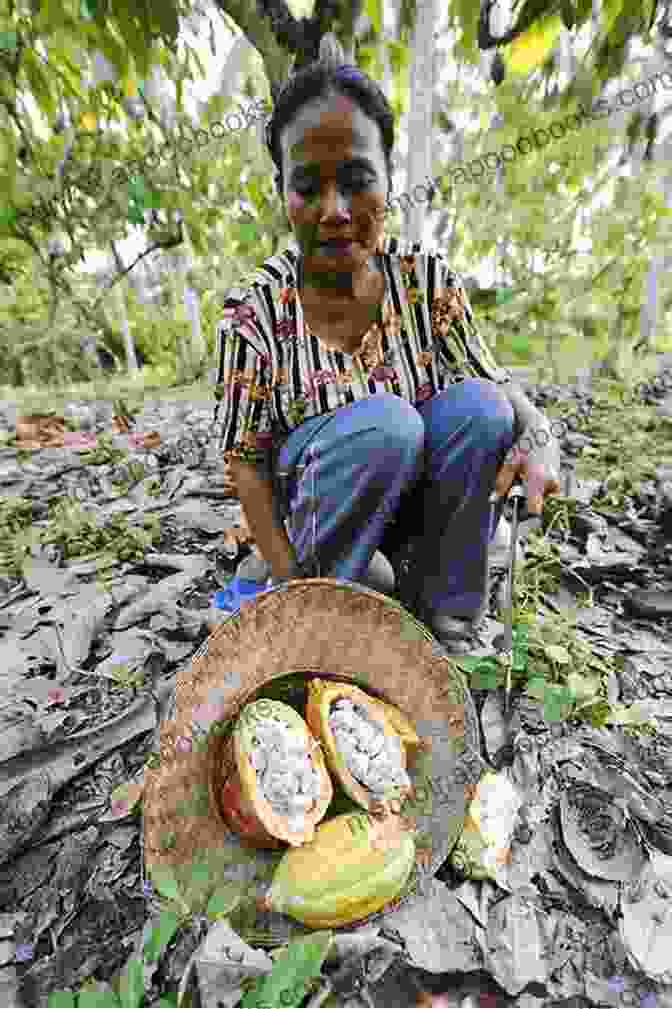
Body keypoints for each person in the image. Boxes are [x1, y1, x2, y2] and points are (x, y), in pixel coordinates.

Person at [212, 38, 561, 653]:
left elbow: (494, 381)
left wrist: (539, 435)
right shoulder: (255, 313)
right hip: (316, 528)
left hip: (412, 520)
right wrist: (290, 576)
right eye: (308, 187)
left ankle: (444, 623)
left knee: (481, 408)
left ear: (389, 179)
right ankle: (321, 609)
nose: (334, 211)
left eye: (356, 180)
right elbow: (244, 464)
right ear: (281, 192)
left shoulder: (426, 282)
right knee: (388, 425)